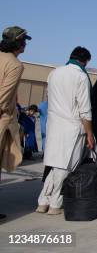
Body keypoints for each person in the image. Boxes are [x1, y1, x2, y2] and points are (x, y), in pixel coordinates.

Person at [37, 46, 94, 215]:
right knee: (66, 167)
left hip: (54, 125)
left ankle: (43, 200)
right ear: (85, 61)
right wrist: (89, 132)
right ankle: (55, 203)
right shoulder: (81, 77)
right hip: (73, 127)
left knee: (54, 166)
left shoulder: (54, 73)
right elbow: (85, 109)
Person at [0, 27, 29, 218]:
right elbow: (3, 97)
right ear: (18, 43)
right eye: (24, 40)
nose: (26, 44)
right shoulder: (15, 65)